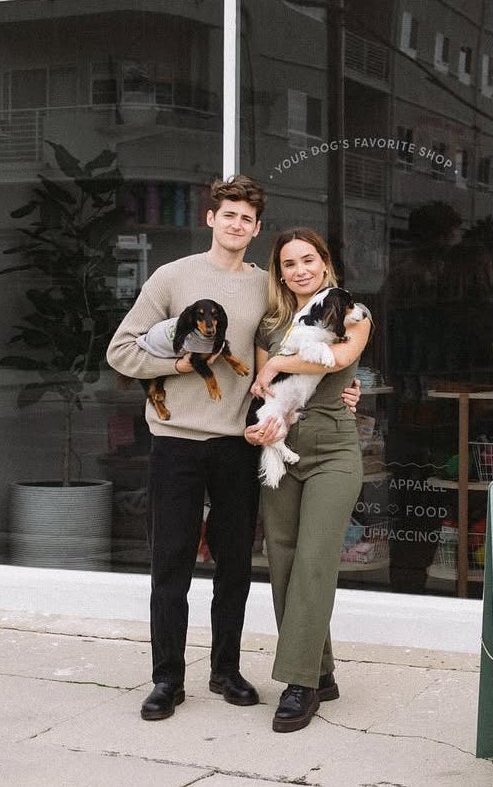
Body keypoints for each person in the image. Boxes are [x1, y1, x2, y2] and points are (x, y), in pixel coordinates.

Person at [106, 174, 269, 722]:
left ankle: (226, 671)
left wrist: (345, 385)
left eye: (247, 218)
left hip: (235, 444)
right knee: (170, 564)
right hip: (175, 443)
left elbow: (291, 347)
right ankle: (167, 680)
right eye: (229, 215)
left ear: (256, 228)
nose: (237, 224)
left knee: (235, 565)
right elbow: (121, 351)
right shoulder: (172, 277)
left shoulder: (265, 286)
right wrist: (177, 366)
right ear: (211, 219)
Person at [246, 227, 371, 733]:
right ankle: (321, 673)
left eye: (308, 260)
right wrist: (262, 427)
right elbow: (266, 390)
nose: (300, 270)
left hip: (334, 450)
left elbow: (337, 358)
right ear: (279, 273)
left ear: (324, 262)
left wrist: (279, 360)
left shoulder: (352, 314)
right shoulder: (270, 325)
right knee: (283, 560)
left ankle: (299, 685)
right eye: (289, 264)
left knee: (315, 560)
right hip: (283, 445)